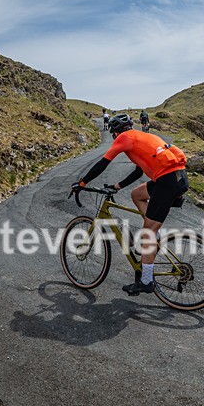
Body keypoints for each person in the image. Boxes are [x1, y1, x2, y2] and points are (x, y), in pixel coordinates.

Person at [71, 114, 188, 294]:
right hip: (176, 177)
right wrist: (117, 186)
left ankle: (146, 281)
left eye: (113, 133)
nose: (114, 136)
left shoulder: (125, 138)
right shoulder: (141, 137)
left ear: (116, 131)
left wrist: (82, 183)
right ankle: (154, 232)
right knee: (137, 194)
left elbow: (103, 163)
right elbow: (138, 172)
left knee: (148, 232)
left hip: (167, 181)